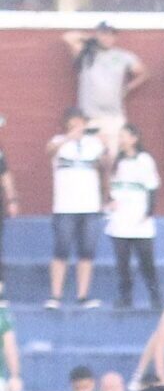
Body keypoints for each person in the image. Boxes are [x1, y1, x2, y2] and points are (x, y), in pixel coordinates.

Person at [45, 109, 106, 310]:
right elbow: (49, 150)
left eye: (80, 123)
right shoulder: (59, 142)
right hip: (64, 206)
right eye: (73, 124)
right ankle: (55, 295)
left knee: (86, 252)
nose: (77, 127)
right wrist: (68, 138)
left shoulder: (93, 144)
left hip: (90, 206)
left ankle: (83, 295)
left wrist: (104, 143)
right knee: (61, 250)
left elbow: (106, 165)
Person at [103, 124, 162, 313]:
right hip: (120, 219)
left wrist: (149, 212)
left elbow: (152, 187)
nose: (121, 140)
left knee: (146, 261)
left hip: (140, 220)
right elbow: (109, 186)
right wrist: (110, 201)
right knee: (122, 262)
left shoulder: (145, 160)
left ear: (134, 138)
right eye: (119, 136)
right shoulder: (116, 162)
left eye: (124, 136)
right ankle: (125, 297)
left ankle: (155, 296)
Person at [66, 22, 145, 142]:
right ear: (97, 34)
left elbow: (144, 73)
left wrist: (128, 88)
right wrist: (91, 39)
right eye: (104, 34)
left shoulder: (122, 56)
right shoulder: (85, 54)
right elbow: (68, 37)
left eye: (111, 35)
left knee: (114, 155)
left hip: (114, 116)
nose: (107, 38)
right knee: (91, 155)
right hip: (89, 117)